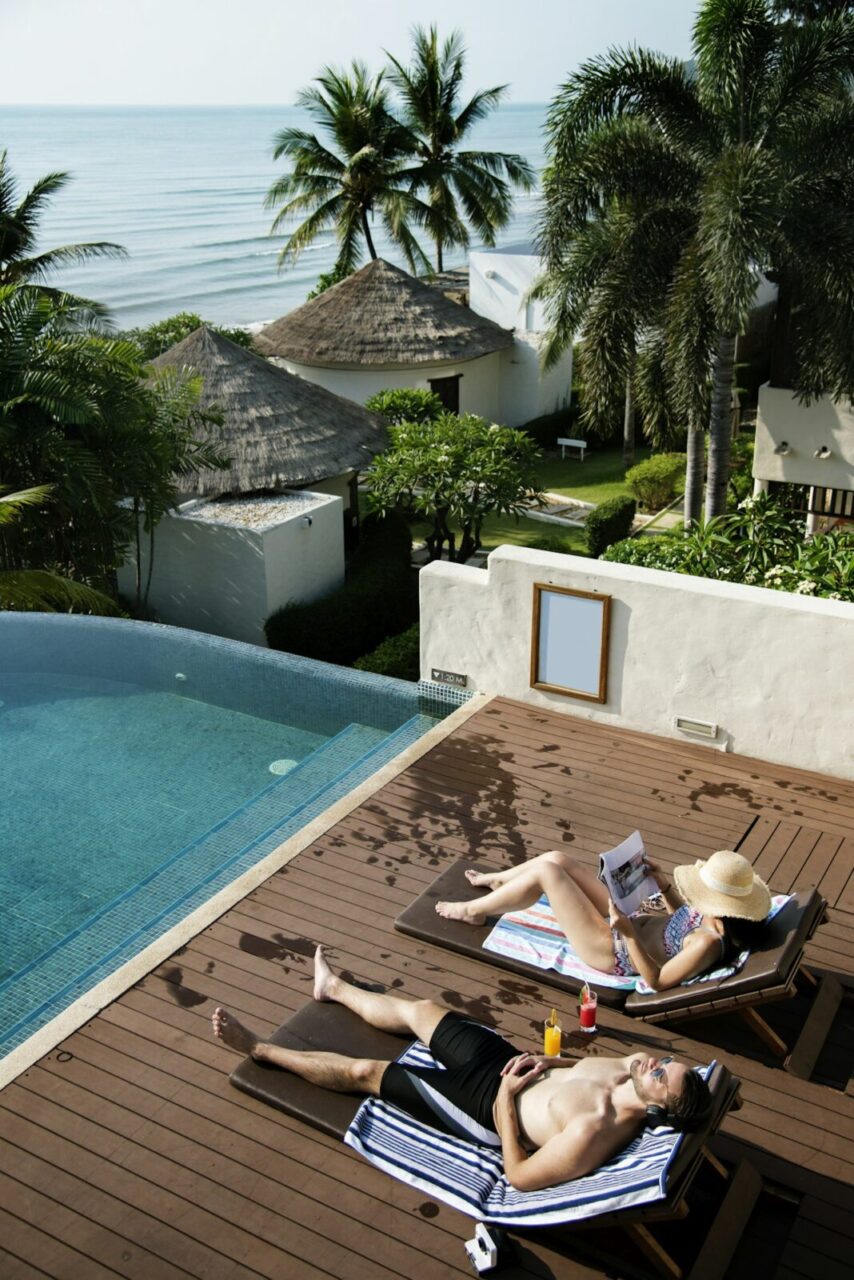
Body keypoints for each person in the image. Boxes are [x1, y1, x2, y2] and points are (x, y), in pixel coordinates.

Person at [212, 946, 713, 1192]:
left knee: (370, 1072)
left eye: (660, 1075)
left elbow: (518, 1176)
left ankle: (260, 1050)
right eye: (667, 1061)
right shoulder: (630, 1067)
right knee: (421, 1009)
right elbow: (579, 1066)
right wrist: (550, 1059)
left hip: (484, 1106)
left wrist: (501, 1104)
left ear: (656, 1110)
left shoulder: (595, 1132)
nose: (655, 1063)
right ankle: (334, 989)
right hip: (509, 1063)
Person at [436, 848, 772, 992]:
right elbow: (679, 923)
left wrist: (626, 934)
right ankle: (500, 882)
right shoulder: (713, 919)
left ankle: (474, 911)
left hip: (610, 950)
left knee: (548, 874)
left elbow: (656, 981)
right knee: (558, 859)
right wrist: (664, 884)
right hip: (628, 923)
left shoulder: (706, 943)